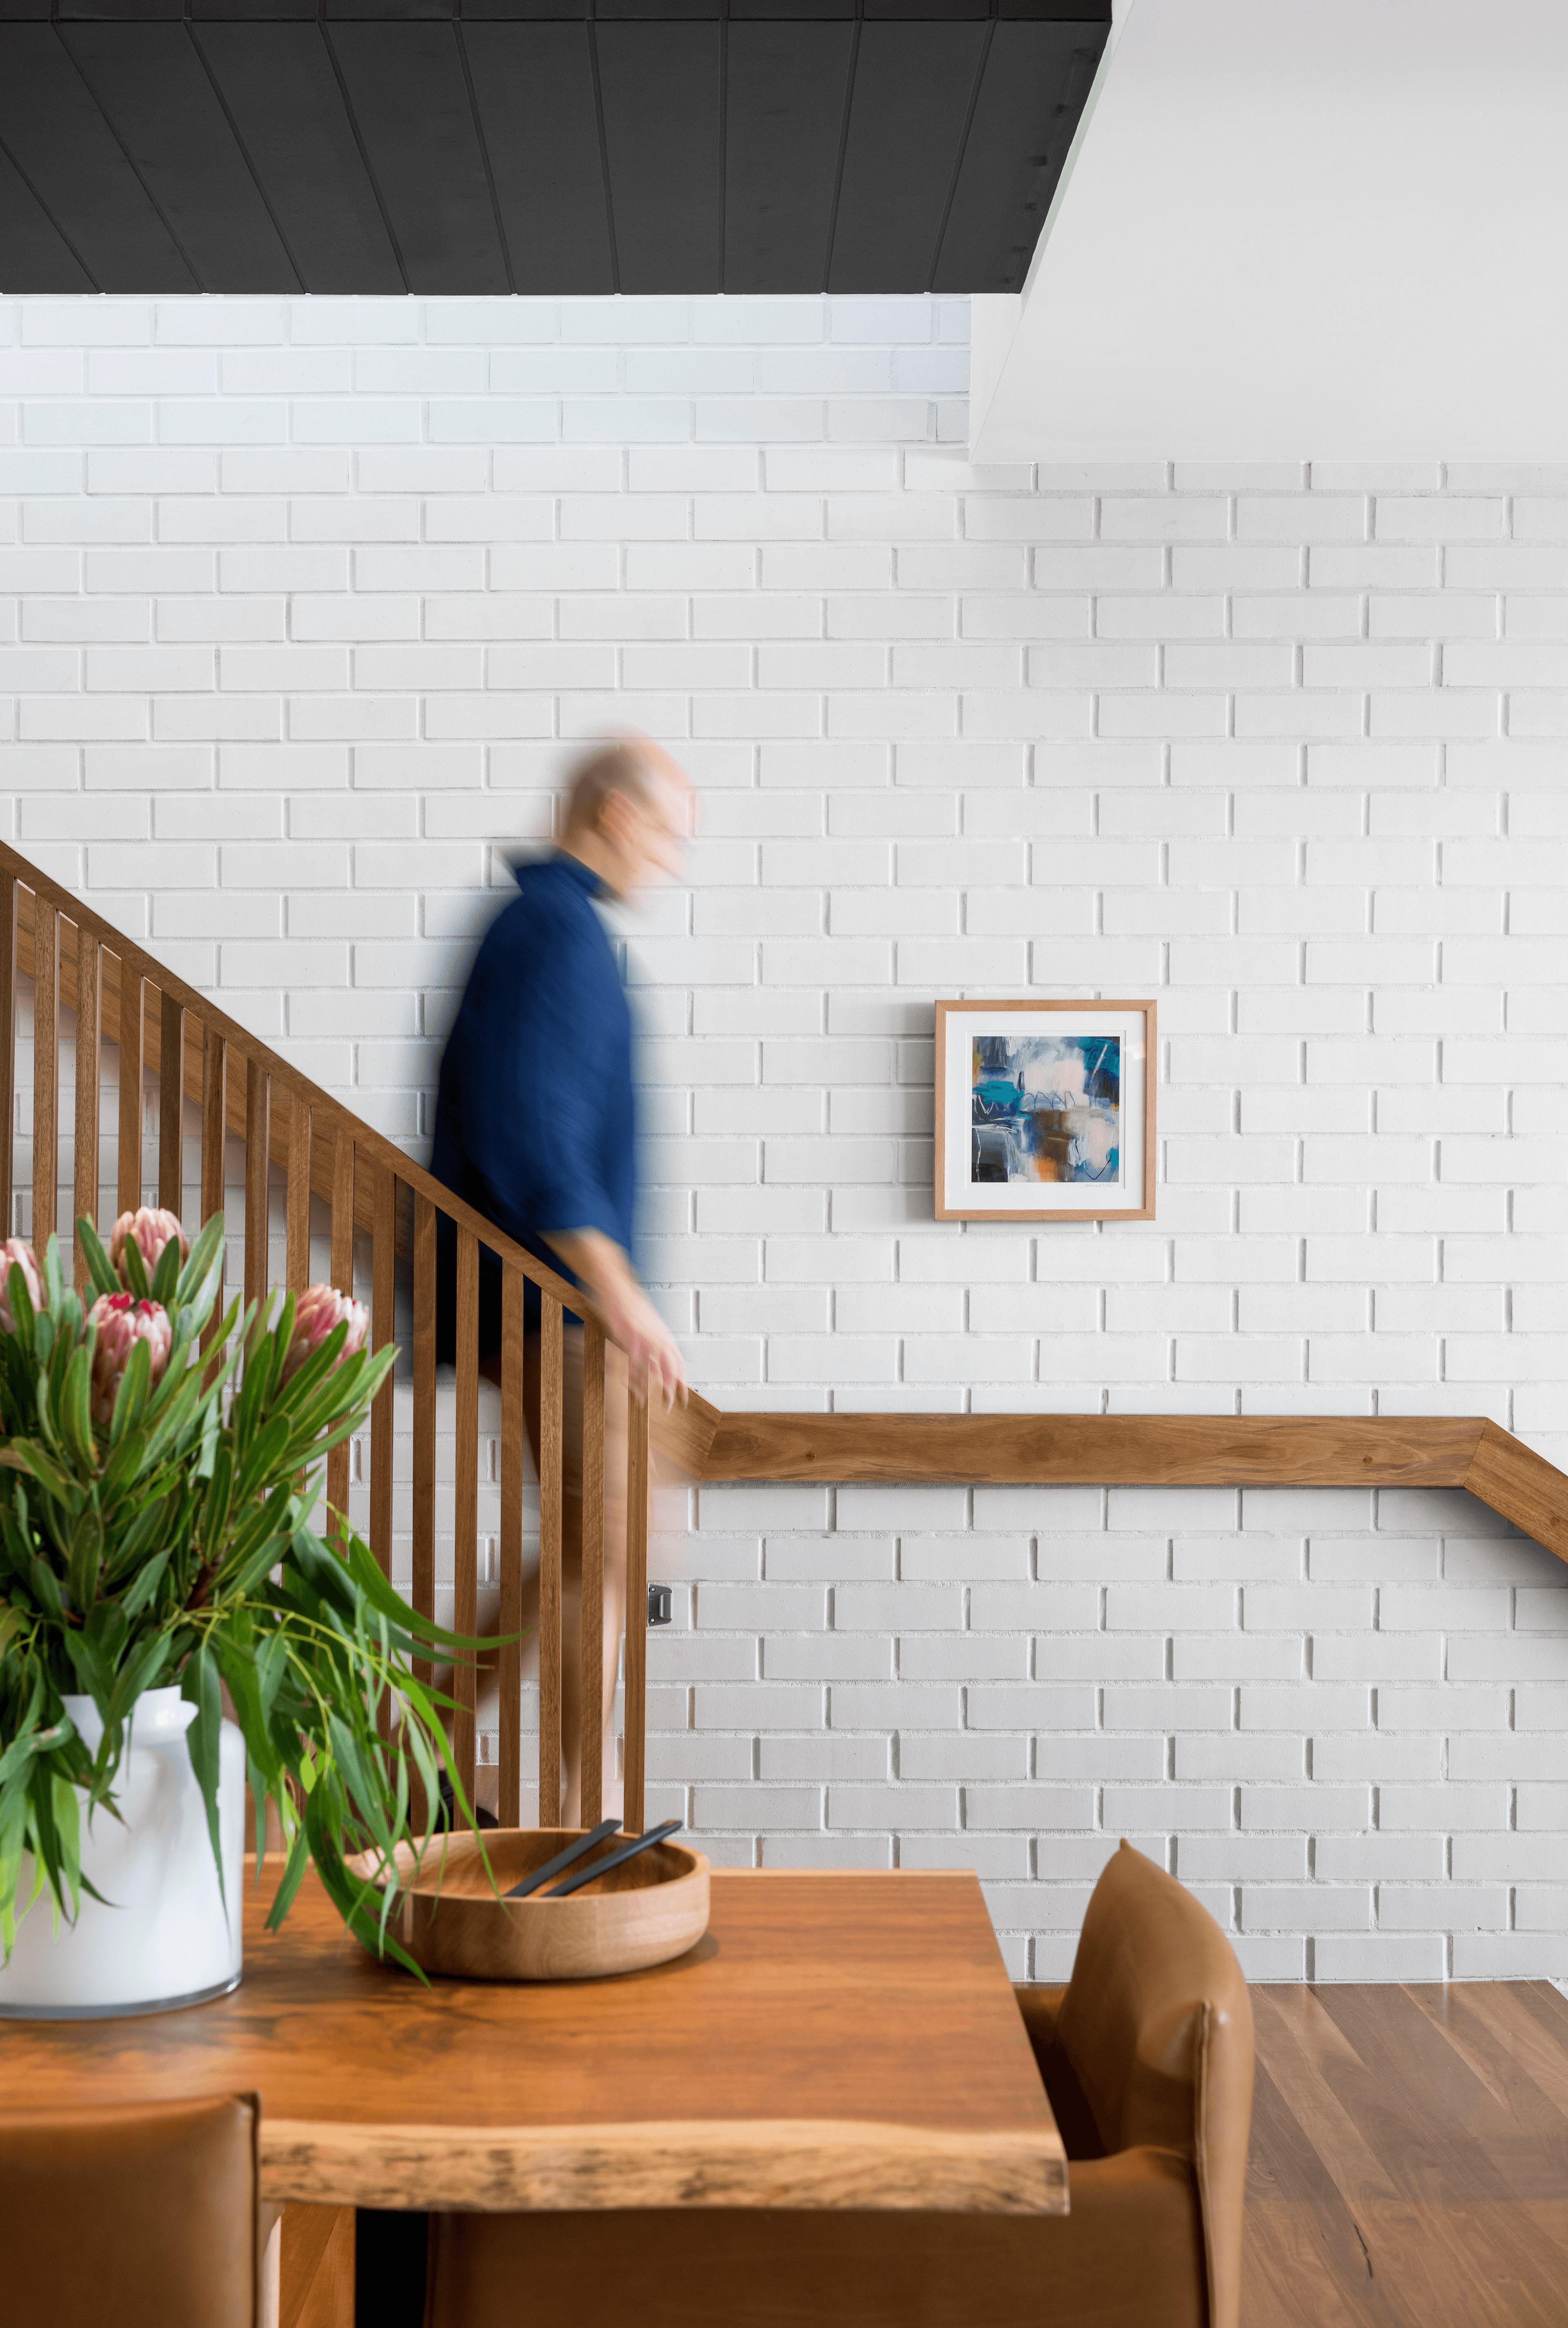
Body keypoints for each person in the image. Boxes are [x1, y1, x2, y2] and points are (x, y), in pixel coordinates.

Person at [430, 734, 690, 1824]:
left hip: (559, 1308)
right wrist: (620, 1295)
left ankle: (422, 1735)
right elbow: (535, 1129)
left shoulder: (544, 926)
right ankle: (588, 1814)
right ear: (618, 816)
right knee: (606, 1554)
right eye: (668, 834)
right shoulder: (554, 931)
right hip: (560, 1309)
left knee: (606, 1549)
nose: (671, 860)